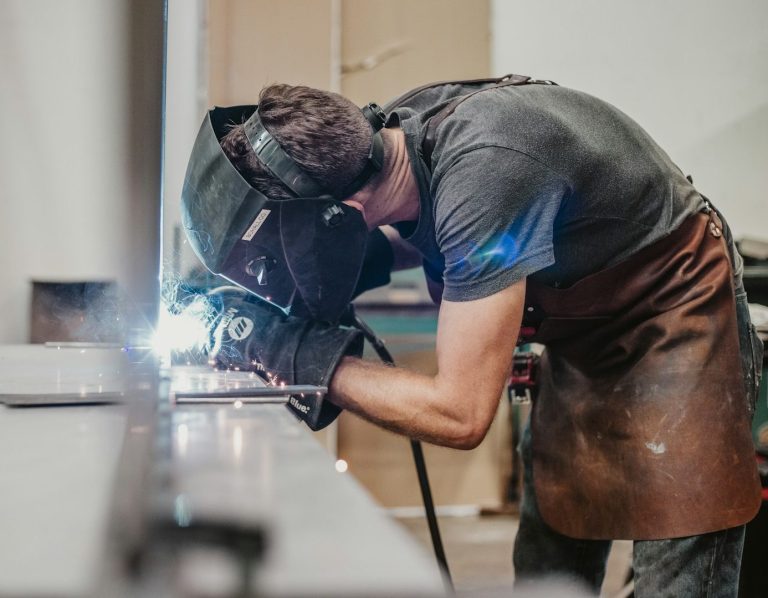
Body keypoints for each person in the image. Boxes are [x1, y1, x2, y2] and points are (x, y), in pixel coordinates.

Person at [181, 77, 764, 596]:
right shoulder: (400, 142)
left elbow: (459, 414)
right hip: (584, 339)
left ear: (341, 212)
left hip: (676, 315)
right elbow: (448, 231)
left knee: (677, 575)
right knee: (550, 561)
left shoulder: (485, 168)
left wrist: (300, 355)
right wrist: (303, 287)